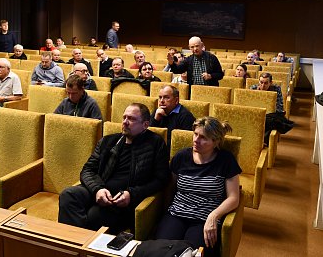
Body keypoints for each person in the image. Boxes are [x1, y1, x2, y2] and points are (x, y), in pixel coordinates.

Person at [58, 103, 170, 233]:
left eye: (131, 119)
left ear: (145, 125)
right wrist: (98, 189)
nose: (125, 122)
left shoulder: (156, 143)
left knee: (94, 216)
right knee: (68, 195)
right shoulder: (108, 141)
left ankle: (77, 247)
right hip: (100, 190)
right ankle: (75, 246)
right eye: (124, 117)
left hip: (121, 200)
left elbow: (161, 179)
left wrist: (132, 194)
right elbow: (87, 170)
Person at [156, 116, 241, 254]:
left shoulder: (226, 160)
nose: (196, 140)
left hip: (204, 218)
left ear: (215, 142)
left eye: (203, 138)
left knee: (192, 253)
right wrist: (165, 213)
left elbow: (233, 198)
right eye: (195, 134)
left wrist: (214, 216)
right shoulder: (182, 156)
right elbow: (170, 188)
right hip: (177, 214)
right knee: (161, 250)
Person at [150, 85, 195, 151]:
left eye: (166, 97)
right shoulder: (157, 112)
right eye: (160, 97)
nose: (161, 101)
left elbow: (185, 144)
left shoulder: (186, 116)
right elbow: (147, 136)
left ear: (176, 100)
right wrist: (156, 120)